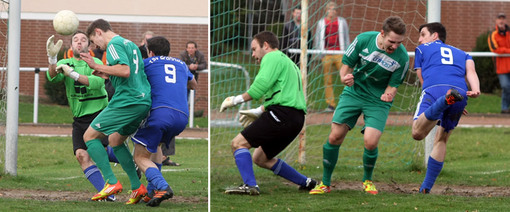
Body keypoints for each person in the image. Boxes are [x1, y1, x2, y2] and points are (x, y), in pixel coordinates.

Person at [309, 16, 409, 195]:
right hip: (354, 92)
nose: (395, 46)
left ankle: (367, 181)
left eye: (399, 43)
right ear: (382, 33)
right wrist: (344, 78)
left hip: (377, 100)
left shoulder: (402, 57)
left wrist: (388, 94)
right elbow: (346, 66)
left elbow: (393, 85)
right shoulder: (363, 40)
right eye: (392, 41)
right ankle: (325, 183)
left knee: (371, 142)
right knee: (334, 137)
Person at [219, 31, 317, 195]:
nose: (253, 54)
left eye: (254, 49)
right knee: (260, 158)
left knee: (238, 143)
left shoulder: (271, 57)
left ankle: (250, 186)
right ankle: (307, 182)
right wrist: (259, 111)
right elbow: (283, 95)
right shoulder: (288, 62)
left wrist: (234, 100)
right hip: (296, 119)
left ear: (265, 45)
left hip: (282, 114)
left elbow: (258, 89)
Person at [79, 18, 152, 204]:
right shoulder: (131, 44)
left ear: (98, 32)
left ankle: (111, 182)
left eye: (95, 42)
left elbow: (125, 70)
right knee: (115, 140)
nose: (98, 47)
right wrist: (105, 73)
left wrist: (96, 66)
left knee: (90, 136)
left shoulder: (113, 44)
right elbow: (132, 74)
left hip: (127, 101)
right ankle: (137, 187)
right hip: (142, 101)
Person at [46, 31, 119, 201]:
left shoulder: (96, 63)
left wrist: (72, 74)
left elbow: (96, 83)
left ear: (89, 45)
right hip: (79, 119)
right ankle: (108, 193)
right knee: (81, 155)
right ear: (71, 46)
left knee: (104, 150)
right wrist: (52, 59)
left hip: (99, 115)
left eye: (83, 40)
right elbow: (52, 77)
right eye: (75, 40)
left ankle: (132, 162)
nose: (79, 42)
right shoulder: (65, 62)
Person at [412, 22, 480, 194]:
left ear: (435, 36)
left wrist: (438, 101)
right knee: (441, 139)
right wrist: (475, 90)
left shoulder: (421, 49)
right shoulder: (464, 53)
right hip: (460, 92)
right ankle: (426, 187)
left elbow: (421, 77)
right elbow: (471, 72)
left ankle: (444, 101)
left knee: (417, 133)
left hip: (434, 89)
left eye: (422, 34)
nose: (420, 40)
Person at [131, 36, 197, 207]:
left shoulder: (147, 63)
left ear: (150, 52)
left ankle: (162, 186)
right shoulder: (181, 63)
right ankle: (153, 190)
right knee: (157, 145)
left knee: (139, 156)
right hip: (182, 116)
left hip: (160, 114)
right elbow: (194, 84)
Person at [314, 1, 350, 112]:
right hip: (327, 54)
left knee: (346, 78)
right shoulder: (321, 23)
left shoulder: (342, 22)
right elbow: (318, 38)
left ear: (336, 11)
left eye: (334, 9)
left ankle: (348, 103)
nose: (332, 11)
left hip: (340, 53)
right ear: (326, 11)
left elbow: (346, 37)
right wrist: (320, 54)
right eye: (330, 9)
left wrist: (347, 53)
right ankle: (331, 105)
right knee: (327, 80)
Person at [488, 13, 510, 114]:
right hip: (501, 67)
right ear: (496, 21)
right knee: (505, 86)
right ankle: (504, 108)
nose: (501, 21)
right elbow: (495, 49)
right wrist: (508, 50)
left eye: (503, 19)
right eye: (499, 19)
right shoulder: (493, 34)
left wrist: (505, 50)